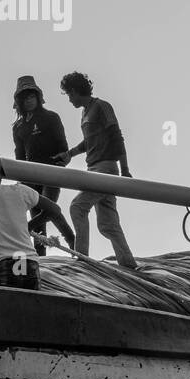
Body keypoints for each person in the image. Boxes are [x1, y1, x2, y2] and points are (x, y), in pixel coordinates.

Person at [53, 72, 138, 269]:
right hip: (93, 168)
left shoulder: (102, 106)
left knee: (77, 207)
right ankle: (129, 264)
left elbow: (116, 137)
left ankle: (82, 259)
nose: (69, 99)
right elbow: (90, 141)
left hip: (106, 168)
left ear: (74, 91)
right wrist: (69, 154)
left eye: (68, 95)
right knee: (108, 225)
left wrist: (125, 170)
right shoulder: (85, 112)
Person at [0, 150, 74, 290]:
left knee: (8, 309)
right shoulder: (19, 191)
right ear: (0, 173)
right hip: (28, 264)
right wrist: (29, 226)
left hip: (3, 268)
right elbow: (54, 210)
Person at [10, 75, 68, 253]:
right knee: (37, 217)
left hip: (51, 172)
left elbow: (63, 148)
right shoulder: (18, 127)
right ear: (19, 101)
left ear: (37, 97)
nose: (28, 101)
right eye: (25, 98)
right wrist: (21, 179)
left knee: (49, 210)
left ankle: (71, 240)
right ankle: (40, 256)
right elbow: (19, 156)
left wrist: (61, 164)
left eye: (31, 97)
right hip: (30, 175)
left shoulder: (51, 117)